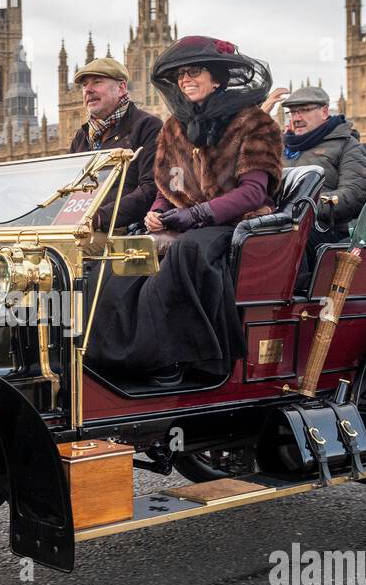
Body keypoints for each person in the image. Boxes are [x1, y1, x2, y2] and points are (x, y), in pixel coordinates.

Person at [85, 35, 282, 384]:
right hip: (186, 221)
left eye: (195, 72)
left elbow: (253, 193)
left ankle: (176, 357)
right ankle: (113, 354)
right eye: (180, 75)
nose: (186, 80)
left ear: (217, 78)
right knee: (126, 256)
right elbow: (167, 186)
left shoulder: (254, 123)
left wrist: (197, 215)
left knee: (188, 251)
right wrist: (157, 214)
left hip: (234, 224)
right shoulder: (176, 126)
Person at [67, 57, 163, 233]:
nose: (88, 89)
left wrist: (99, 218)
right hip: (80, 227)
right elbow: (67, 190)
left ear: (121, 88)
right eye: (84, 85)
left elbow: (150, 189)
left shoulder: (147, 126)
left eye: (97, 82)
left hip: (123, 229)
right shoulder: (82, 137)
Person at [280, 86, 366, 263]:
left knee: (291, 232)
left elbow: (353, 194)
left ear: (324, 111)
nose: (296, 118)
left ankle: (292, 288)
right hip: (285, 221)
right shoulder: (283, 149)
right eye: (293, 112)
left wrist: (303, 207)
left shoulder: (347, 145)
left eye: (304, 110)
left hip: (327, 229)